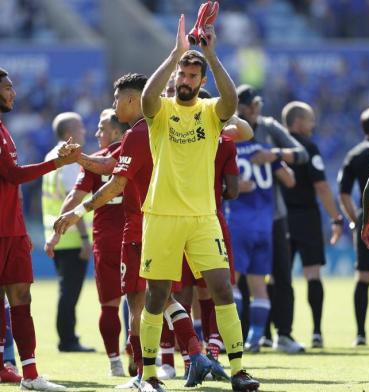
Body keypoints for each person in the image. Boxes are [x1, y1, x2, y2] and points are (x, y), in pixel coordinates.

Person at [53, 72, 230, 390]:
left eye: (117, 99)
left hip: (141, 228)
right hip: (178, 222)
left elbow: (115, 184)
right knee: (166, 299)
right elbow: (111, 167)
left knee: (140, 305)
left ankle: (142, 374)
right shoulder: (164, 125)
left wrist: (74, 213)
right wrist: (79, 157)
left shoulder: (139, 132)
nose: (113, 105)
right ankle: (194, 354)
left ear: (133, 100)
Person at [140, 15, 258, 392]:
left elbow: (231, 100)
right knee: (157, 296)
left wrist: (212, 54)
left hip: (203, 217)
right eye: (183, 74)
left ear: (201, 82)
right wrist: (175, 53)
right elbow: (144, 100)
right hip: (161, 216)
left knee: (222, 290)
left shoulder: (210, 114)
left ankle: (239, 371)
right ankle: (148, 376)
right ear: (176, 77)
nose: (186, 80)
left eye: (193, 76)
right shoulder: (160, 110)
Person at [0, 67, 78, 390]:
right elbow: (14, 175)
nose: (13, 93)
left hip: (12, 232)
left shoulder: (5, 131)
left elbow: (11, 186)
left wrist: (20, 229)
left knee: (21, 297)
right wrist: (56, 163)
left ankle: (30, 375)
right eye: (7, 88)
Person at [45, 109, 129, 374]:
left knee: (109, 304)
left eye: (101, 128)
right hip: (134, 235)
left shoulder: (94, 161)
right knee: (142, 302)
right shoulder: (137, 153)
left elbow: (73, 198)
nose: (95, 133)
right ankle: (147, 360)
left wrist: (60, 227)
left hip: (105, 240)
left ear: (115, 131)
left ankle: (115, 361)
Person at [236, 84, 308, 353]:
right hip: (246, 217)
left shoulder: (267, 128)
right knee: (246, 282)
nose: (255, 109)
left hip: (272, 216)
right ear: (239, 107)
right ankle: (248, 335)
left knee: (280, 276)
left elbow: (302, 154)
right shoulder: (230, 130)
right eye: (250, 105)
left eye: (256, 104)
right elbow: (289, 177)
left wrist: (273, 154)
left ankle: (283, 334)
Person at [281, 101, 343, 348]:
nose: (313, 124)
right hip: (306, 217)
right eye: (310, 119)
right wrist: (336, 218)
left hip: (281, 218)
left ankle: (273, 332)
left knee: (279, 277)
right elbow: (322, 186)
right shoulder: (308, 147)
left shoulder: (276, 146)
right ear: (298, 122)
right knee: (312, 273)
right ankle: (316, 332)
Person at [227, 136, 295, 353]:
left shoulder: (231, 149)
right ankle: (254, 338)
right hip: (265, 227)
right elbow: (290, 179)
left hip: (238, 225)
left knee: (232, 283)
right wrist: (275, 156)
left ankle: (233, 338)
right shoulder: (266, 150)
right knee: (259, 286)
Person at [42, 112, 95, 353]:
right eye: (80, 127)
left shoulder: (51, 156)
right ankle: (68, 340)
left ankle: (68, 337)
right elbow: (74, 201)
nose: (85, 131)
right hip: (71, 236)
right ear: (69, 134)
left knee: (67, 291)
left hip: (58, 235)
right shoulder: (68, 160)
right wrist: (85, 238)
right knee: (69, 292)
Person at [339, 107, 369, 346]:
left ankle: (360, 334)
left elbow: (344, 193)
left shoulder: (354, 155)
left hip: (367, 218)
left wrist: (354, 219)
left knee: (363, 278)